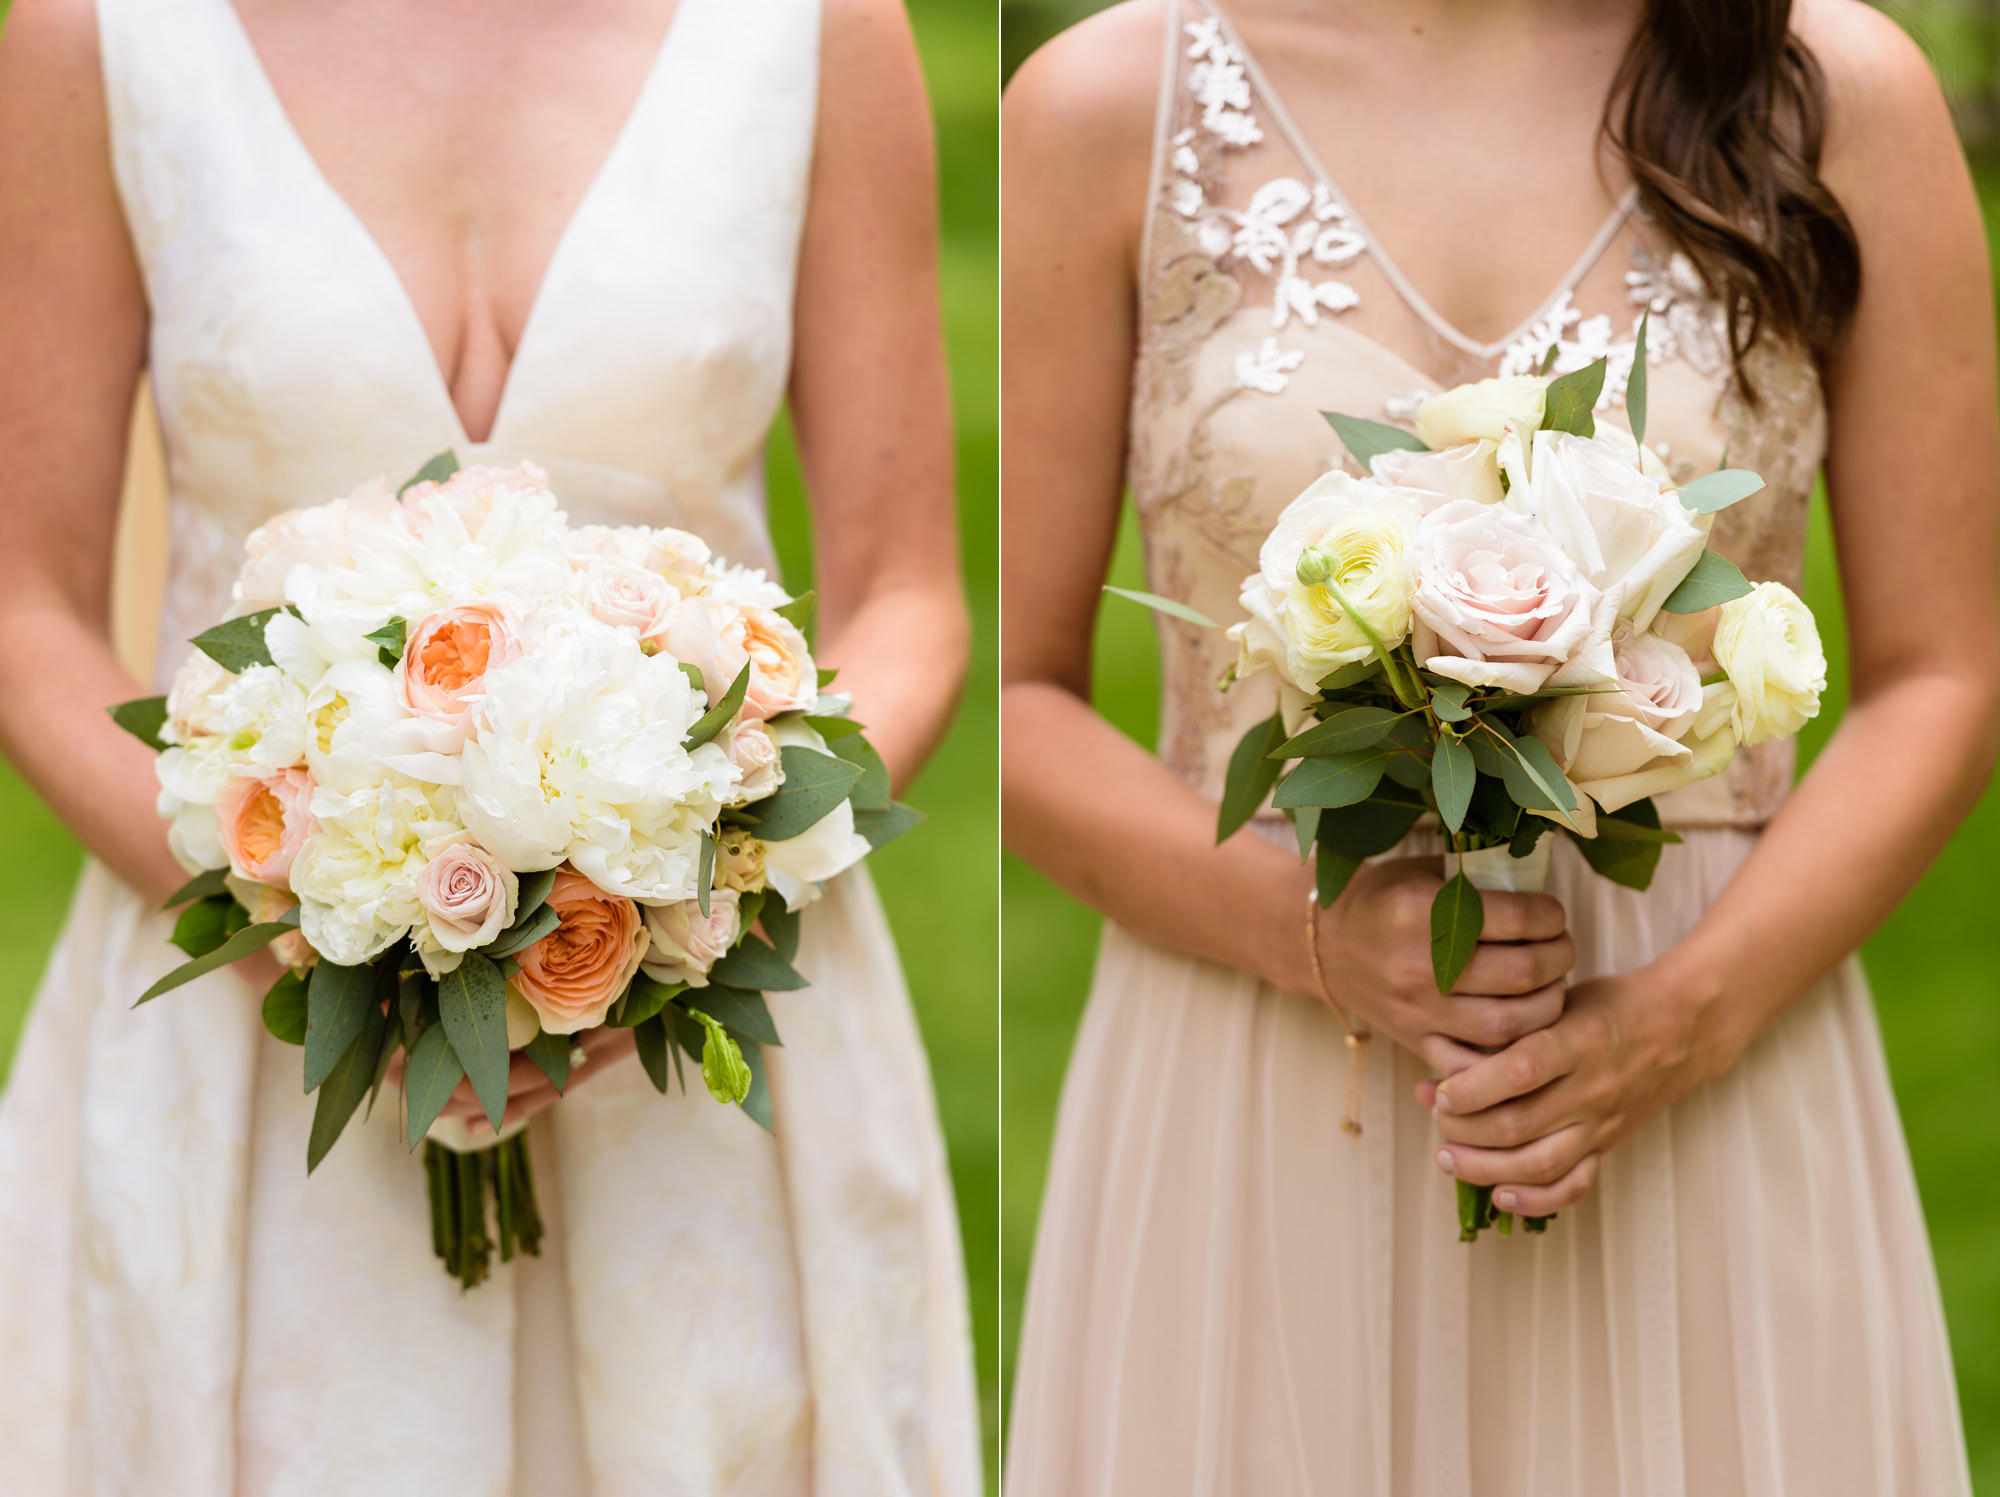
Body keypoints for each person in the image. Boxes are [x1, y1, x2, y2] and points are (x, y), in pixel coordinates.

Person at [1001, 0, 1996, 1490]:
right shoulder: (1108, 106)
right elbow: (1018, 701)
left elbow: (1945, 672)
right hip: (1269, 1051)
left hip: (1702, 1050)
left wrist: (1680, 1018)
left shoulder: (1830, 88)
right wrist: (1313, 936)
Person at [0, 0, 980, 1490]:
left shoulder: (820, 27)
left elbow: (909, 595)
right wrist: (294, 924)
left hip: (706, 1032)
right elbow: (24, 605)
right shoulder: (101, 33)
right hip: (252, 1038)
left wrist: (683, 899)